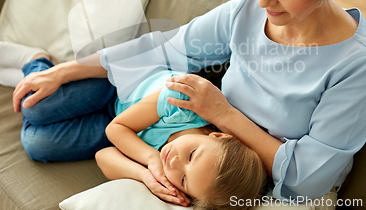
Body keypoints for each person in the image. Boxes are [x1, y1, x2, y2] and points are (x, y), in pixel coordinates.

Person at [12, 0, 366, 207]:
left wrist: (222, 114)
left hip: (187, 139)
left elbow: (308, 177)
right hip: (159, 103)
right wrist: (67, 70)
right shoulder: (248, 10)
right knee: (42, 102)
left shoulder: (356, 65)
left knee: (39, 141)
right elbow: (167, 48)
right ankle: (38, 60)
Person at [95, 69, 267, 209]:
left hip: (109, 118)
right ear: (218, 135)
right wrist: (150, 158)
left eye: (184, 180)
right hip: (119, 85)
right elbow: (116, 129)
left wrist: (145, 175)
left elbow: (103, 155)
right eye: (192, 155)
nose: (174, 163)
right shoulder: (182, 104)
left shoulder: (166, 171)